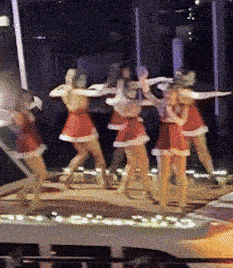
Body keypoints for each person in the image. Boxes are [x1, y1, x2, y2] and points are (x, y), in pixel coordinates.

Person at [50, 68, 110, 188]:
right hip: (82, 122)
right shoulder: (78, 91)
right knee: (97, 154)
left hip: (72, 122)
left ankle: (67, 177)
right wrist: (107, 86)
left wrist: (61, 87)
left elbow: (52, 93)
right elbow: (96, 94)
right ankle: (104, 181)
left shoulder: (64, 90)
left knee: (82, 153)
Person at [107, 68, 157, 202]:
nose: (133, 91)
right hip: (130, 130)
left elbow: (142, 91)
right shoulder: (122, 102)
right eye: (129, 88)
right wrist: (144, 80)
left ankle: (123, 188)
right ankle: (148, 191)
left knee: (133, 163)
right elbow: (141, 96)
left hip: (134, 128)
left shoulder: (126, 100)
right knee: (142, 163)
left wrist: (144, 80)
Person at [175, 69, 230, 186]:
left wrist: (218, 94)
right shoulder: (172, 90)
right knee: (182, 152)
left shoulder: (188, 92)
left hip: (195, 123)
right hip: (181, 123)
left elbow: (200, 95)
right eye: (180, 76)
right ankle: (178, 176)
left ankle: (212, 175)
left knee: (202, 151)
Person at [142, 73, 189, 209]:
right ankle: (163, 201)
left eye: (170, 94)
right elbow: (148, 95)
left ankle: (182, 200)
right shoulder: (160, 104)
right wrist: (143, 80)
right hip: (164, 140)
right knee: (163, 173)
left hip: (178, 139)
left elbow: (181, 122)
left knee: (180, 173)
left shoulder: (183, 106)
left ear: (176, 94)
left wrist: (170, 112)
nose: (167, 96)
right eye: (165, 94)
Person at [12, 89, 49, 210]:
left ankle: (23, 194)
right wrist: (27, 113)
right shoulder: (18, 113)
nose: (29, 100)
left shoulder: (25, 111)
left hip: (32, 142)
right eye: (27, 99)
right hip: (27, 144)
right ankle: (34, 200)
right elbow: (23, 126)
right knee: (41, 174)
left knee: (39, 174)